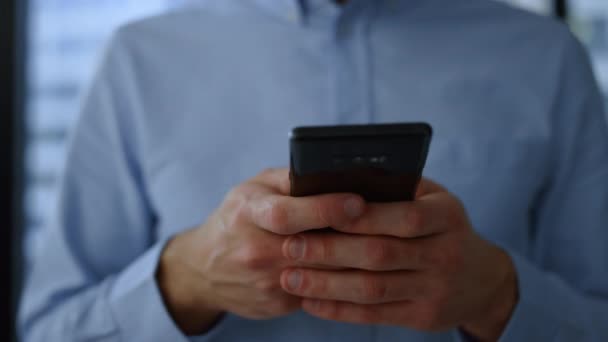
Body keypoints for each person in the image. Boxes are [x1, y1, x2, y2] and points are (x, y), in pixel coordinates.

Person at [19, 0, 608, 341]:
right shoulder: (138, 59)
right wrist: (183, 284)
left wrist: (498, 297)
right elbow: (48, 331)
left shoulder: (545, 57)